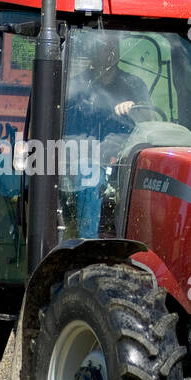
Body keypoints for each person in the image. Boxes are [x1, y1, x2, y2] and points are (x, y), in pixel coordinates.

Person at [63, 30, 150, 238]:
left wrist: (136, 109)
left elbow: (150, 125)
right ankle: (88, 244)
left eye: (114, 46)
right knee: (90, 173)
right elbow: (63, 132)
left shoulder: (134, 86)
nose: (110, 51)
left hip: (126, 162)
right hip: (84, 161)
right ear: (92, 51)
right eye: (103, 46)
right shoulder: (74, 87)